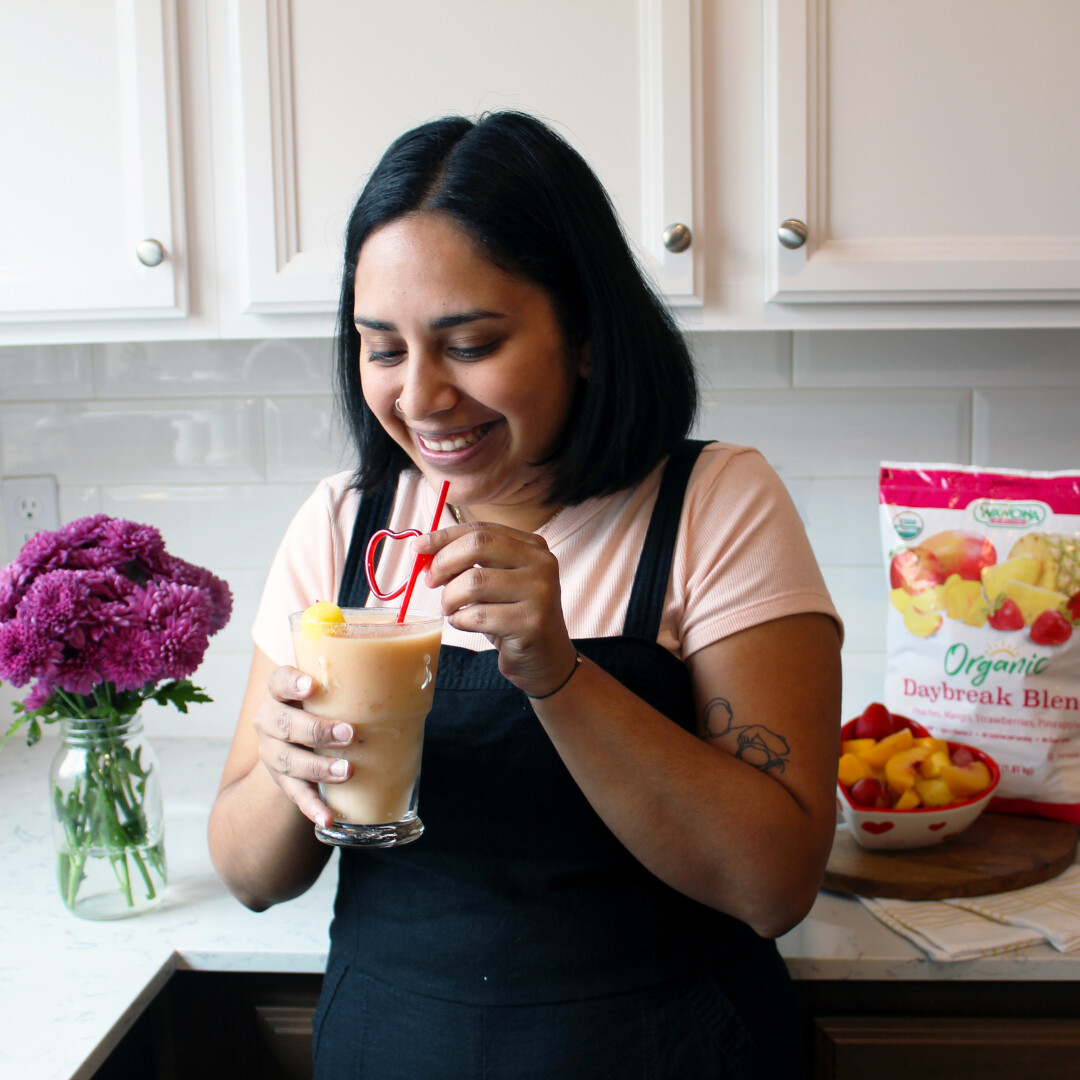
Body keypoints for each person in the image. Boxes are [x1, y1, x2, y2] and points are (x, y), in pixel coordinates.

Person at [208, 110, 843, 1079]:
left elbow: (772, 888)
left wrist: (558, 673)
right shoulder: (345, 525)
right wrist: (294, 777)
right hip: (390, 1046)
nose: (419, 398)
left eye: (468, 344)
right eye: (382, 348)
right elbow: (250, 877)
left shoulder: (713, 505)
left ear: (584, 334)